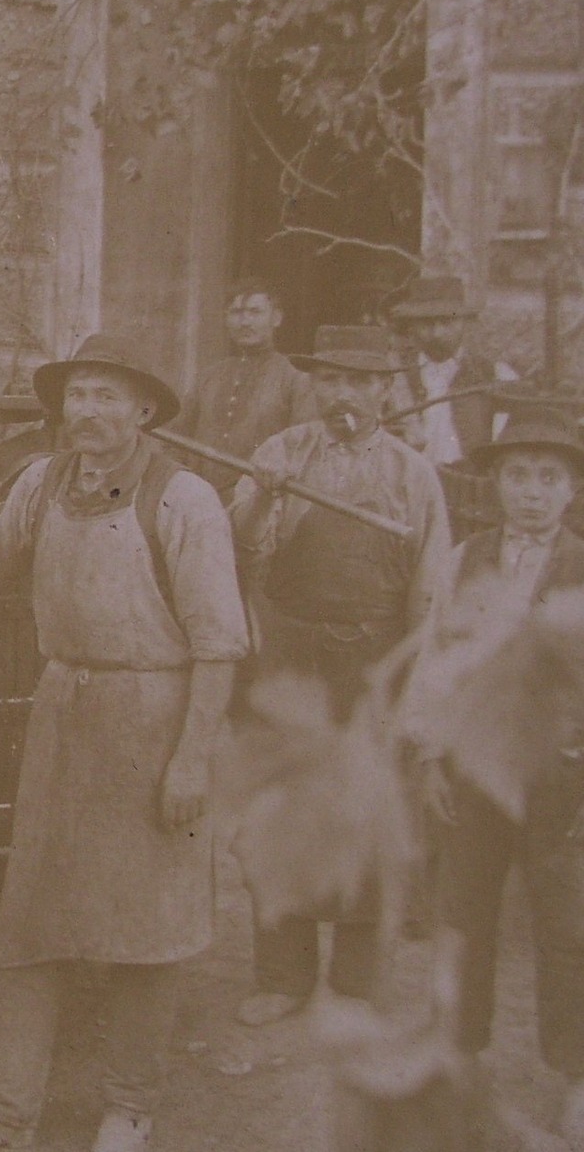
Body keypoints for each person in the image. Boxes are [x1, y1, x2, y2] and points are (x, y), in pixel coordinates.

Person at [0, 335, 248, 1152]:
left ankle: (129, 1107)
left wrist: (191, 758)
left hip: (154, 715)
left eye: (107, 396)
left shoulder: (185, 501)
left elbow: (220, 646)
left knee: (148, 925)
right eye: (77, 394)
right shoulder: (42, 481)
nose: (86, 411)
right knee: (31, 916)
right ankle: (1, 1110)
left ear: (145, 409)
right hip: (62, 708)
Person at [230, 324, 453, 1026]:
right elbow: (237, 543)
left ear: (386, 390)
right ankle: (282, 975)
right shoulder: (281, 452)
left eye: (359, 381)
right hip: (290, 664)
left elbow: (429, 592)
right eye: (330, 379)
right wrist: (263, 495)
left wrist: (411, 688)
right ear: (314, 386)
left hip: (373, 668)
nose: (343, 395)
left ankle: (357, 982)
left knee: (366, 815)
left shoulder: (413, 476)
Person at [402, 410, 584, 1139]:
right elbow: (434, 660)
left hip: (563, 778)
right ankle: (459, 1054)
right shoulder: (465, 556)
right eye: (517, 476)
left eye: (549, 478)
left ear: (571, 490)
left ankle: (577, 1074)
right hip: (473, 768)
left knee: (566, 924)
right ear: (496, 483)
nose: (531, 493)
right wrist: (430, 756)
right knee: (463, 914)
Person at [174, 279, 315, 496]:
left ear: (276, 318)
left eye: (255, 312)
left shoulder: (295, 377)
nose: (245, 322)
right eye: (236, 313)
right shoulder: (208, 377)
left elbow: (304, 448)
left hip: (260, 500)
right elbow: (175, 440)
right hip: (200, 498)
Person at [387, 274, 517, 467]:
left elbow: (506, 448)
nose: (437, 333)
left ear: (464, 323)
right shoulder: (393, 377)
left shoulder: (496, 375)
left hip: (470, 482)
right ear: (411, 326)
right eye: (426, 324)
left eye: (447, 322)